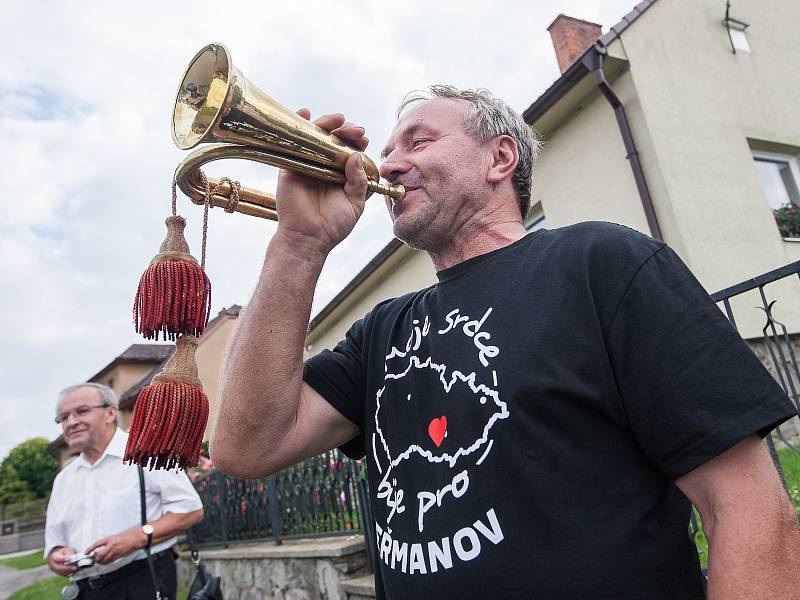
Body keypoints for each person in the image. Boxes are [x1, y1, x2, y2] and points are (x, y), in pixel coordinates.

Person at [210, 86, 800, 599]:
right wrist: (298, 242)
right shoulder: (381, 331)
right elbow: (245, 447)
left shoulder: (601, 262)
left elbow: (749, 511)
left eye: (418, 143)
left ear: (500, 157)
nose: (386, 166)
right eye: (386, 152)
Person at [45, 383, 204, 599]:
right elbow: (55, 542)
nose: (71, 422)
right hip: (85, 590)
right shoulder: (64, 479)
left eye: (82, 411)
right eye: (63, 417)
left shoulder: (147, 453)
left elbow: (190, 510)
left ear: (110, 412)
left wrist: (135, 538)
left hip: (142, 580)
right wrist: (57, 556)